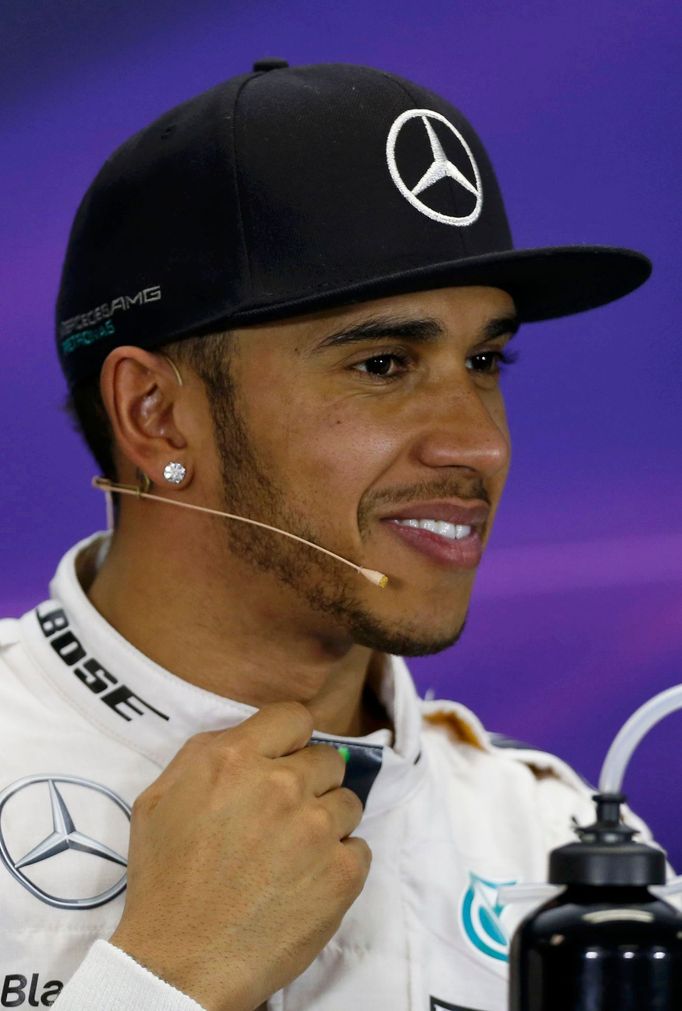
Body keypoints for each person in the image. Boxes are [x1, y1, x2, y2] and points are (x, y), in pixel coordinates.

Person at [0, 60, 657, 1011]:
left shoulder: (551, 846)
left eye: (485, 359)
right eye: (385, 362)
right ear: (154, 415)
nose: (479, 440)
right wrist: (169, 979)